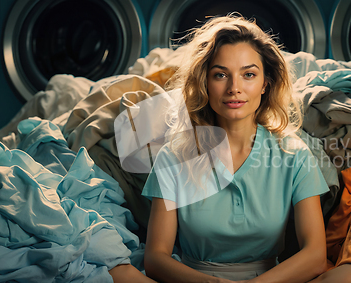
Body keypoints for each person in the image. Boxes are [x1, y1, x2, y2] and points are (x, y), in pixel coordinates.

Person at [142, 14, 331, 282]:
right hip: (195, 280)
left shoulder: (294, 154)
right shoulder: (174, 156)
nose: (234, 88)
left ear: (265, 83)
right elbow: (156, 259)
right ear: (205, 83)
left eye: (248, 75)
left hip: (271, 280)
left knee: (347, 275)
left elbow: (315, 256)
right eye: (220, 75)